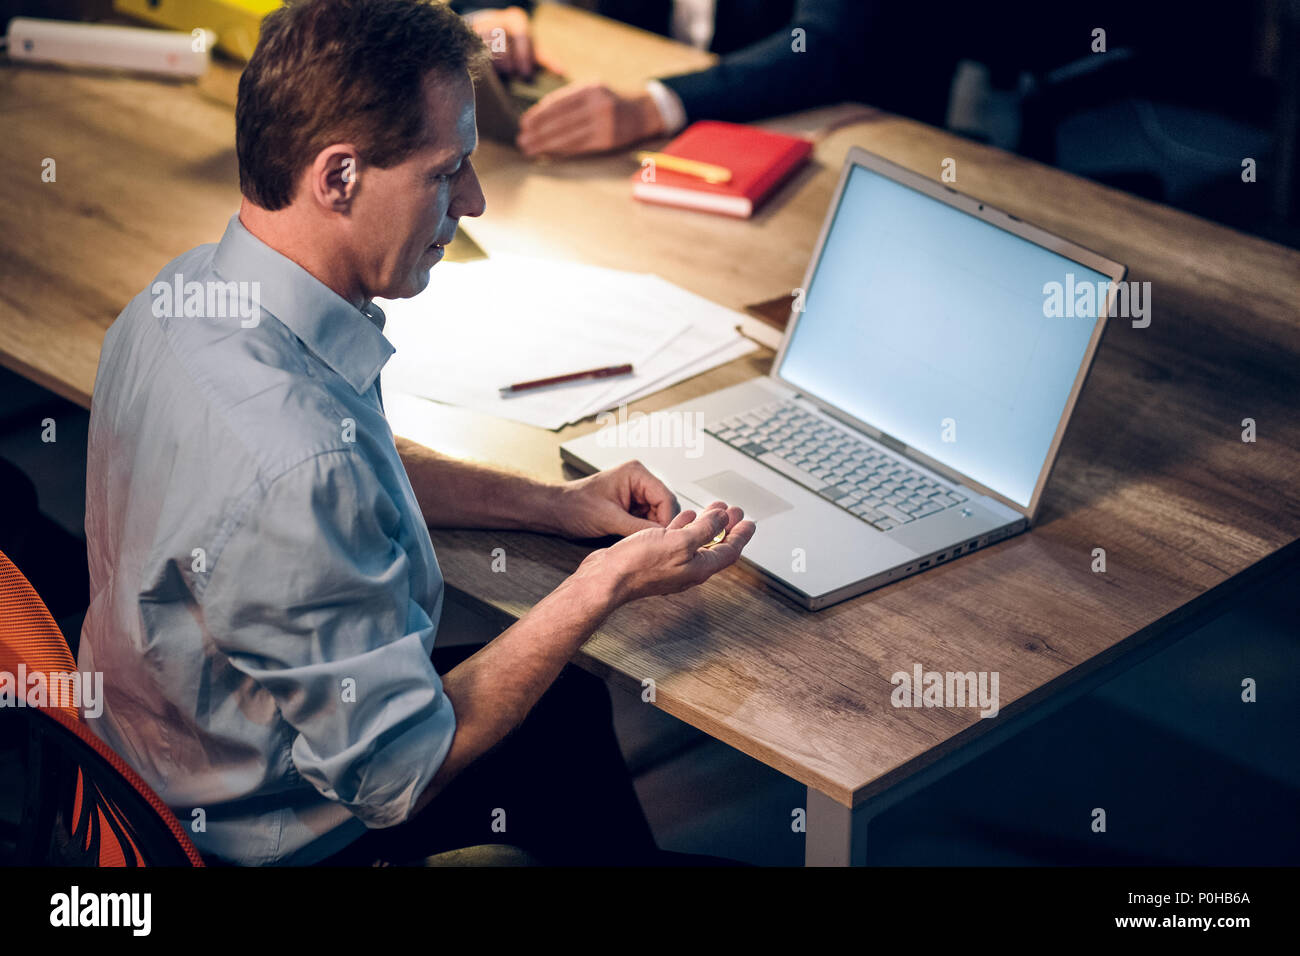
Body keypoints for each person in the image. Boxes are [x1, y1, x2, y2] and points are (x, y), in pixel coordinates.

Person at [78, 0, 755, 867]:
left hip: (150, 753)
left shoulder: (175, 300)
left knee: (569, 713)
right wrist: (605, 583)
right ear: (338, 178)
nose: (471, 201)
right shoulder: (298, 462)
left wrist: (554, 506)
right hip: (277, 833)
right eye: (446, 172)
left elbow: (342, 477)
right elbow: (402, 774)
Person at [454, 1, 901, 157]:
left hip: (831, 134)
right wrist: (493, 9)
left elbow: (823, 46)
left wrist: (657, 105)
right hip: (632, 137)